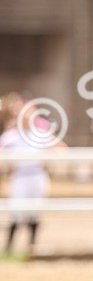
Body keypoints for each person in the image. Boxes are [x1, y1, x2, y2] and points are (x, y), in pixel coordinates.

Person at [0, 93, 50, 257]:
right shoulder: (12, 135)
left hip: (37, 174)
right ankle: (9, 247)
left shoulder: (40, 133)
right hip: (20, 176)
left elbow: (59, 148)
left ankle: (32, 246)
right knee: (16, 210)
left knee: (35, 210)